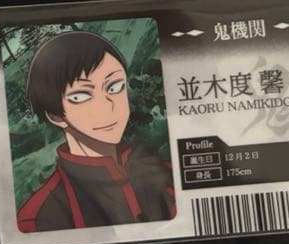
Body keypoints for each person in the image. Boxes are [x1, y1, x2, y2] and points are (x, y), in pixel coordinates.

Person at [17, 31, 175, 233]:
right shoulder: (39, 217)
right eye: (81, 96)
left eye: (114, 87)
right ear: (55, 115)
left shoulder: (163, 171)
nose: (108, 106)